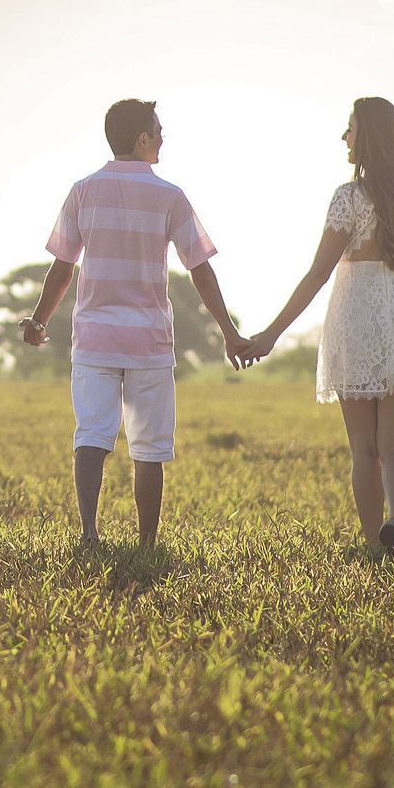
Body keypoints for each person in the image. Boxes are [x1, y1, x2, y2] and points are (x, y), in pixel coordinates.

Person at [20, 99, 248, 549]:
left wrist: (38, 320)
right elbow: (200, 269)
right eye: (158, 131)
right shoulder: (169, 196)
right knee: (149, 448)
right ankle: (146, 543)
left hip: (95, 339)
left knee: (91, 435)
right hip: (149, 342)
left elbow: (63, 268)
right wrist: (229, 332)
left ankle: (89, 533)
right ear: (142, 139)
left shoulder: (83, 190)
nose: (163, 138)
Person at [243, 97, 394, 551]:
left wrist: (271, 334)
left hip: (356, 317)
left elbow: (318, 274)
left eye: (350, 128)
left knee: (365, 449)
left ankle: (372, 544)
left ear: (370, 136)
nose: (345, 137)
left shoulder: (349, 198)